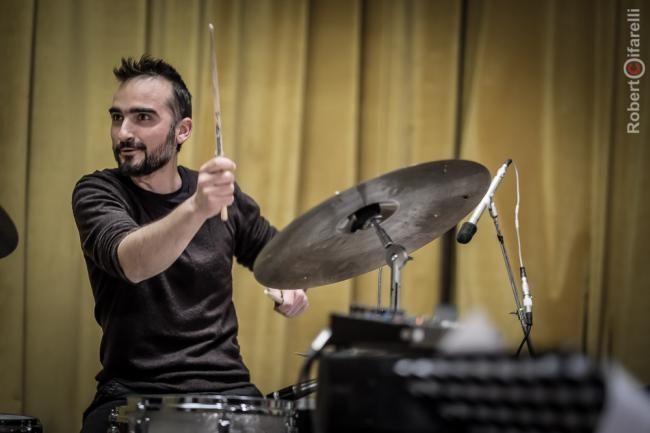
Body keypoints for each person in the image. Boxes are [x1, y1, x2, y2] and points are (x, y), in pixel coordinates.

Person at [72, 55, 309, 433]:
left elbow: (281, 256)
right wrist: (197, 207)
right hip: (133, 392)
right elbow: (132, 261)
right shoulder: (99, 191)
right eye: (117, 117)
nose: (123, 132)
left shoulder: (220, 197)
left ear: (182, 130)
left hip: (228, 388)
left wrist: (292, 281)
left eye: (143, 117)